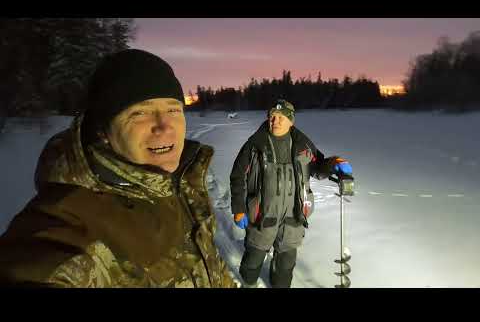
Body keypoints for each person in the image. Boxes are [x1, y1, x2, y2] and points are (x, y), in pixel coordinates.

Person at [0, 49, 237, 288]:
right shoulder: (70, 224)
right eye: (140, 113)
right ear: (103, 130)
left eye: (173, 109)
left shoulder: (179, 183)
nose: (164, 126)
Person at [230, 99, 352, 288]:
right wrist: (239, 208)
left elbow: (318, 167)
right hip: (262, 214)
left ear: (291, 121)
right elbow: (238, 177)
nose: (275, 121)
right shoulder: (255, 145)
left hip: (293, 216)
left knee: (285, 266)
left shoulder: (303, 145)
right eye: (272, 117)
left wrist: (334, 163)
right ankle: (248, 283)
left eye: (281, 117)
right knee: (252, 260)